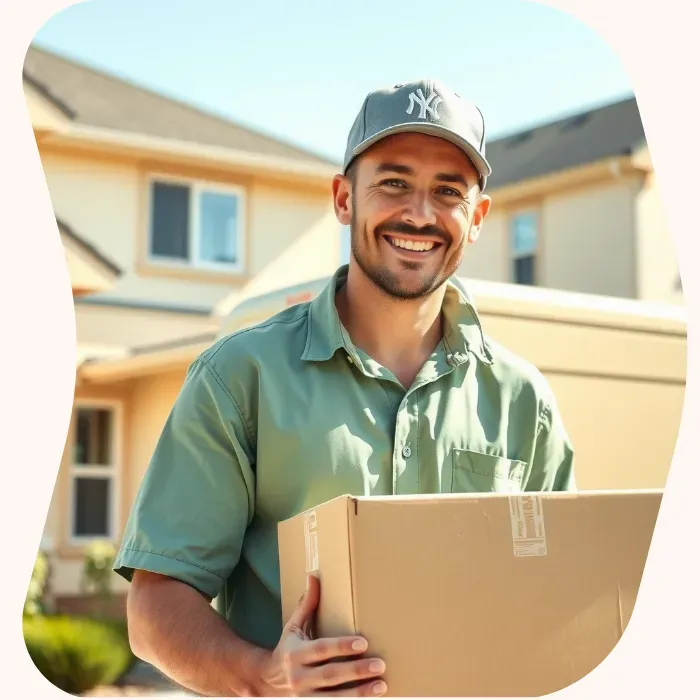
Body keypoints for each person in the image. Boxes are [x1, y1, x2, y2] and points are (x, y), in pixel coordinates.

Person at [113, 79, 576, 697]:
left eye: (448, 191)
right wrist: (264, 676)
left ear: (478, 217)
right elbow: (154, 608)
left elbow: (561, 592)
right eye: (393, 182)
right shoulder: (239, 378)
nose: (419, 213)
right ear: (343, 198)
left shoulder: (523, 401)